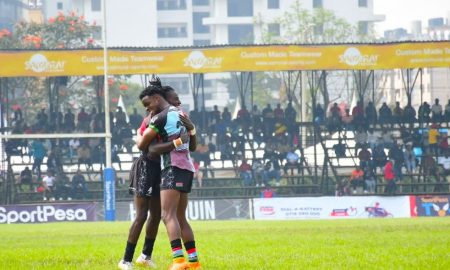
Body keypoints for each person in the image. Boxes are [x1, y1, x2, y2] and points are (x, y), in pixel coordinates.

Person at [118, 79, 194, 270]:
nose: (178, 103)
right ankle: (125, 260)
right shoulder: (153, 118)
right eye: (175, 100)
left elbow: (190, 144)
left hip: (161, 167)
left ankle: (145, 256)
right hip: (146, 166)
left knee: (157, 214)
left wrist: (190, 132)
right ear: (162, 100)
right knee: (142, 214)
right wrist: (176, 142)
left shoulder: (174, 116)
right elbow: (146, 147)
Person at [142, 82, 201, 270]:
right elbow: (192, 147)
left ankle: (178, 261)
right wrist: (192, 131)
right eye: (176, 98)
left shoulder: (161, 116)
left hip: (172, 167)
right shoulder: (183, 115)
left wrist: (173, 142)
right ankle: (194, 263)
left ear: (159, 99)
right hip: (187, 167)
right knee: (181, 217)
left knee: (168, 215)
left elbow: (147, 147)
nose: (178, 102)